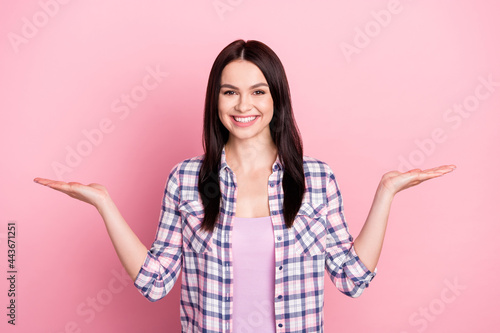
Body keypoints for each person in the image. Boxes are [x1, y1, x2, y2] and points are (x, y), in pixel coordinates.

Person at [34, 39, 456, 333]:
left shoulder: (316, 180)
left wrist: (386, 192)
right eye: (229, 92)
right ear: (215, 101)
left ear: (276, 99)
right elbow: (156, 283)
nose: (243, 105)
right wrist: (104, 203)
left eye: (257, 91)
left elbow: (352, 279)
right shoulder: (185, 180)